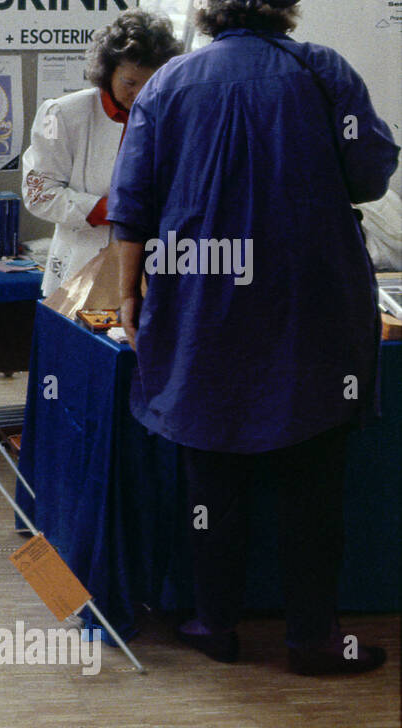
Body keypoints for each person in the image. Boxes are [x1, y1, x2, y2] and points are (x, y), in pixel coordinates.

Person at [107, 0, 399, 675]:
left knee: (211, 473)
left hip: (201, 304)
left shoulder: (168, 84)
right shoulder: (323, 70)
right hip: (310, 299)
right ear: (286, 10)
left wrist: (128, 295)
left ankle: (214, 624)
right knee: (313, 479)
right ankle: (311, 639)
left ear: (210, 12)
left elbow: (132, 205)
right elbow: (370, 174)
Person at [22, 9, 182, 297]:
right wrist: (113, 210)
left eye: (152, 83)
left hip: (151, 268)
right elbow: (39, 194)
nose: (141, 95)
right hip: (79, 268)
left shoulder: (176, 117)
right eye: (130, 83)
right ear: (108, 72)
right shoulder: (61, 113)